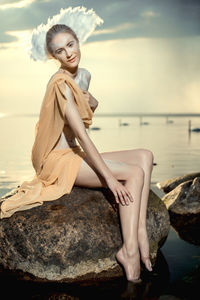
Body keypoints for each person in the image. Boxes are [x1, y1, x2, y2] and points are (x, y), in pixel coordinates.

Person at [44, 23, 154, 283]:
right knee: (133, 173)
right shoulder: (59, 83)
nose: (69, 53)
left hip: (73, 153)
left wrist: (95, 103)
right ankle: (128, 253)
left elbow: (81, 119)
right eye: (60, 50)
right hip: (57, 160)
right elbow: (81, 134)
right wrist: (111, 179)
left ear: (78, 42)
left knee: (146, 156)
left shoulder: (84, 76)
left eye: (71, 44)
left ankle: (140, 230)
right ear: (54, 56)